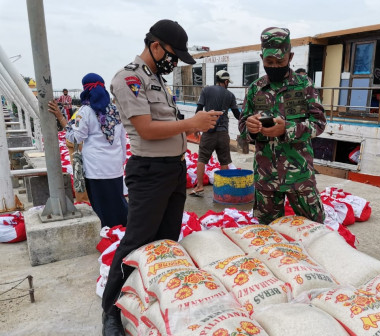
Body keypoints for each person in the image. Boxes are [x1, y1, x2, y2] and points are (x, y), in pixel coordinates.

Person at [101, 19, 222, 335]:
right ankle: (111, 310)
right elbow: (146, 129)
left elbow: (166, 123)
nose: (175, 62)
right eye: (172, 55)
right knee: (136, 241)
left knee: (167, 239)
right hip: (150, 172)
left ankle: (152, 299)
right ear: (155, 46)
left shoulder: (155, 79)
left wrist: (194, 124)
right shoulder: (130, 78)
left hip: (173, 170)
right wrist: (191, 123)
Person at [238, 27, 326, 225]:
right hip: (266, 177)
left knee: (314, 229)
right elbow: (243, 125)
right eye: (269, 62)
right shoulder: (255, 89)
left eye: (280, 61)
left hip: (299, 175)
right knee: (266, 235)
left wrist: (286, 129)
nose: (275, 66)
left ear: (290, 56)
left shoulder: (304, 85)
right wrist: (250, 129)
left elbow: (319, 123)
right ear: (262, 58)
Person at [48, 73, 128, 228]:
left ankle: (109, 232)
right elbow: (122, 139)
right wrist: (120, 159)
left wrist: (61, 118)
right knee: (117, 202)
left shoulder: (85, 111)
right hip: (115, 167)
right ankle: (124, 230)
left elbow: (76, 138)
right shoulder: (116, 110)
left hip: (96, 168)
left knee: (102, 206)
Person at [190, 70, 241, 196]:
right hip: (223, 133)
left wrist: (196, 128)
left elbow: (198, 111)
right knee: (224, 161)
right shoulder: (230, 95)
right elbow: (237, 114)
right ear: (226, 81)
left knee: (202, 158)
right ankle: (223, 188)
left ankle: (199, 186)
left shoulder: (206, 90)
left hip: (208, 131)